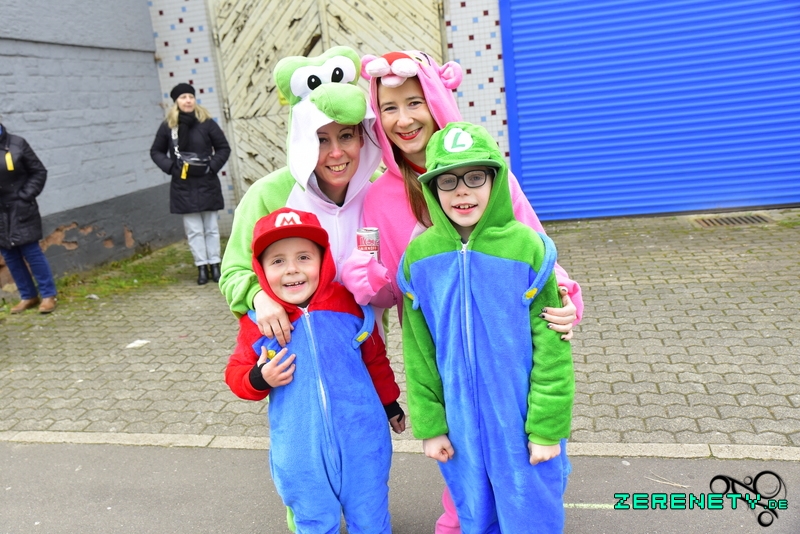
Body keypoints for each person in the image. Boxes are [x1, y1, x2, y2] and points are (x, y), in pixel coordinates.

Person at [340, 50, 583, 533]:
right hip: (447, 360)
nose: (404, 119)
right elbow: (394, 294)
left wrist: (566, 296)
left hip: (509, 360)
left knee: (528, 478)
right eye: (389, 107)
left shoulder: (490, 173)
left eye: (415, 102)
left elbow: (533, 249)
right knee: (468, 484)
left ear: (436, 99)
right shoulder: (377, 197)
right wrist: (368, 280)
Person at [398, 122, 574, 533]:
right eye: (448, 180)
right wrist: (430, 426)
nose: (462, 191)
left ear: (495, 179)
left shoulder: (528, 248)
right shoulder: (418, 258)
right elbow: (419, 351)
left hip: (521, 418)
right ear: (432, 188)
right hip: (459, 424)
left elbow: (553, 349)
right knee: (475, 515)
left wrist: (546, 428)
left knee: (532, 513)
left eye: (475, 177)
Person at [225, 207, 404, 533]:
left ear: (324, 260)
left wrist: (390, 403)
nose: (292, 269)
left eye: (304, 257)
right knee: (314, 521)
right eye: (278, 261)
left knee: (371, 515)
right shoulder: (258, 323)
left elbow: (375, 358)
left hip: (363, 441)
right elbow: (235, 374)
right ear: (261, 269)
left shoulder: (349, 304)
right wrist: (259, 378)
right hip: (300, 452)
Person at [219, 46, 384, 345]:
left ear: (362, 137)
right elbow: (234, 271)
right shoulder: (267, 195)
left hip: (366, 354)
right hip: (296, 355)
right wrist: (257, 297)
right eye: (321, 140)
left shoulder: (380, 192)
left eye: (346, 135)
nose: (336, 153)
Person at [150, 83, 231, 285]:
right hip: (183, 185)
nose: (188, 100)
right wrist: (171, 168)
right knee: (194, 230)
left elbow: (223, 147)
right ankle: (201, 266)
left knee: (211, 228)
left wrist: (211, 167)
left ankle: (215, 265)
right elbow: (156, 151)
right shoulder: (169, 126)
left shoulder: (206, 123)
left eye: (191, 96)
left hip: (207, 182)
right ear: (176, 101)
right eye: (183, 97)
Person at [0, 123, 57, 314]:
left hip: (20, 207)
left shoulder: (17, 143)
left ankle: (48, 295)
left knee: (31, 252)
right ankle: (28, 296)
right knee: (10, 255)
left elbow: (38, 171)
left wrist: (25, 195)